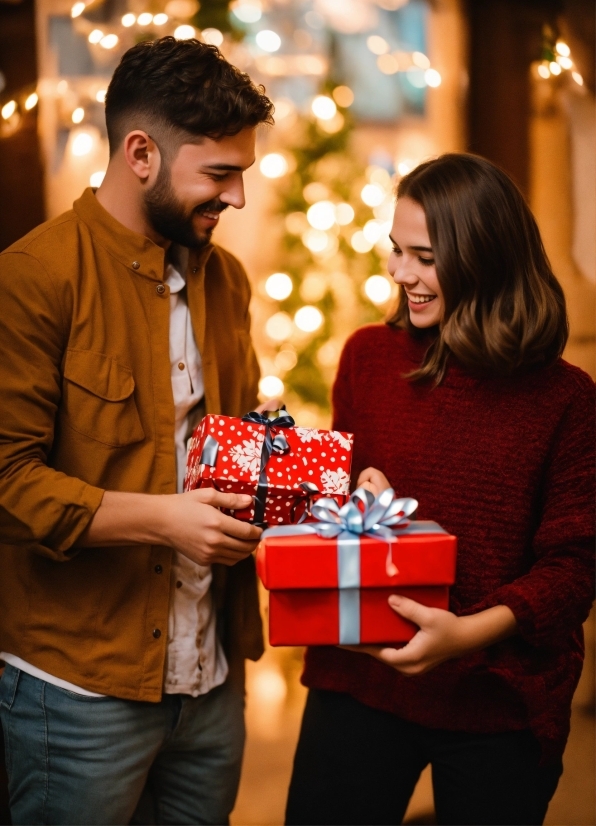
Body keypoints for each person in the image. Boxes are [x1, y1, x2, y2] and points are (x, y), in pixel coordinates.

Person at [0, 36, 275, 825]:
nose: (238, 198)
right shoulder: (33, 278)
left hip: (212, 674)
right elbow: (9, 482)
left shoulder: (227, 280)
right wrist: (167, 520)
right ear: (141, 152)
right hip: (77, 686)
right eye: (220, 175)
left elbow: (242, 432)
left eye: (242, 174)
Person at [285, 153, 595, 826]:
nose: (399, 274)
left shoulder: (567, 399)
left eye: (423, 257)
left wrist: (465, 636)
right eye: (396, 251)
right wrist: (352, 498)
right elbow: (338, 511)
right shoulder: (366, 357)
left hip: (499, 699)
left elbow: (574, 568)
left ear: (486, 257)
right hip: (360, 679)